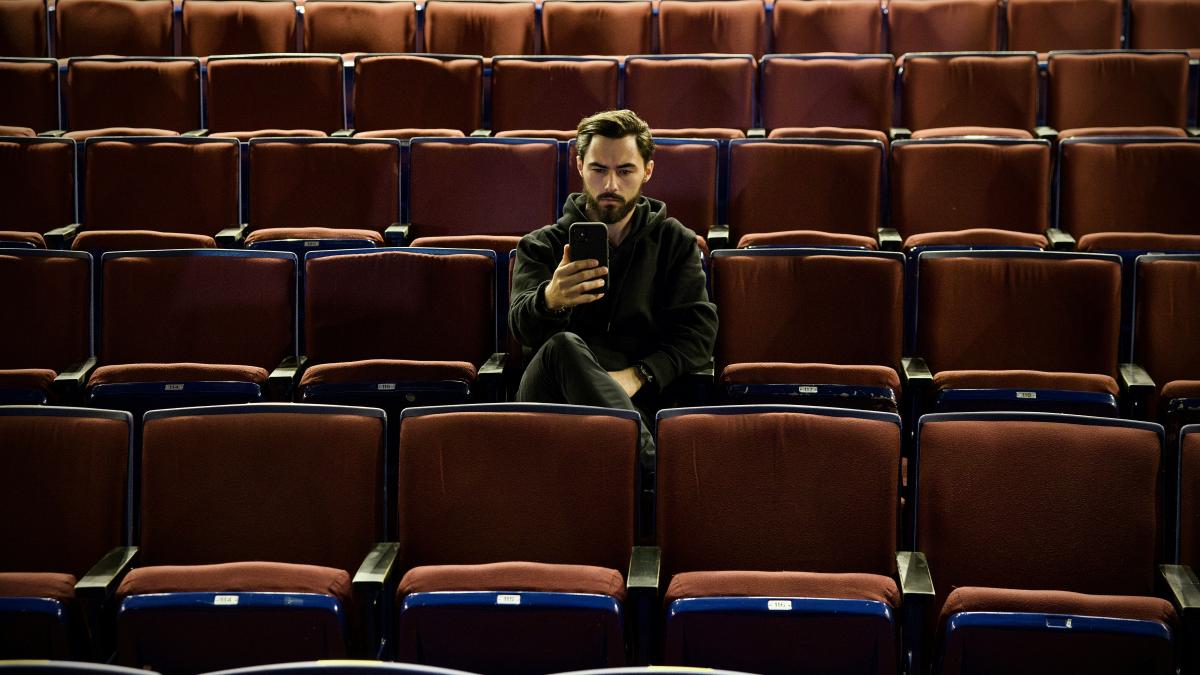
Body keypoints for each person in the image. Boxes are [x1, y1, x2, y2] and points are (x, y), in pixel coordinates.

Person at [509, 109, 718, 453]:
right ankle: (654, 470)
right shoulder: (540, 245)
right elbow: (521, 328)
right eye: (598, 169)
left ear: (647, 170)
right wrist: (550, 299)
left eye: (625, 171)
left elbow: (699, 332)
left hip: (639, 399)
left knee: (622, 413)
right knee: (564, 346)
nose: (610, 185)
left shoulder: (675, 242)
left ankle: (641, 460)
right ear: (579, 166)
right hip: (551, 398)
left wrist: (639, 375)